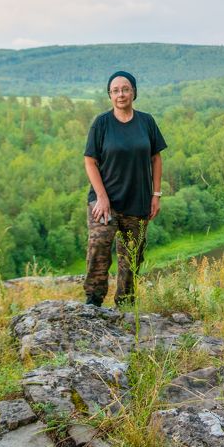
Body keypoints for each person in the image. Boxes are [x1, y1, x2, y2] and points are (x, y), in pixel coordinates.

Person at [83, 70, 167, 307]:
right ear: (110, 95)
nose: (121, 94)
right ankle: (93, 301)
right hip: (104, 201)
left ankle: (125, 305)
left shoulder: (146, 122)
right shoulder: (101, 123)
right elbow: (90, 161)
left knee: (132, 256)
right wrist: (101, 197)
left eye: (125, 89)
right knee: (99, 247)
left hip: (137, 201)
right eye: (115, 90)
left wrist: (156, 194)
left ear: (134, 92)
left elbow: (156, 159)